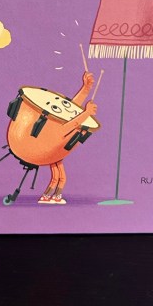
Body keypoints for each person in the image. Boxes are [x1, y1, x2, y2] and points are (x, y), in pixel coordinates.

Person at [37, 71, 98, 205]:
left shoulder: (62, 118)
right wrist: (87, 112)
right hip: (53, 150)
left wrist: (86, 88)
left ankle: (53, 197)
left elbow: (71, 109)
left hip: (56, 151)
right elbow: (70, 124)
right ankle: (48, 196)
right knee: (59, 178)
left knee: (60, 177)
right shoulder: (55, 124)